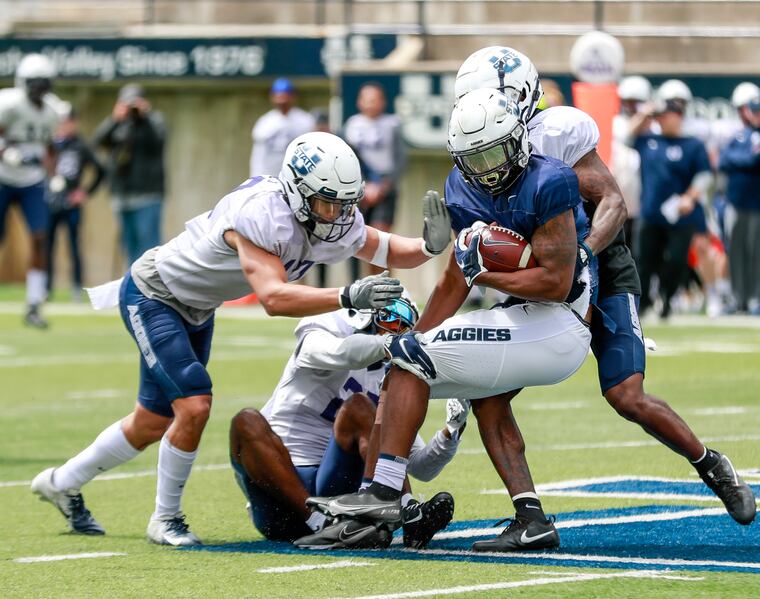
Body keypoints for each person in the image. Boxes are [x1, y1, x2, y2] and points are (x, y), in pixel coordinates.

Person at [31, 131, 452, 546]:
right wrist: (345, 294)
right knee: (194, 404)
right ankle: (166, 519)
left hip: (196, 308)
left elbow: (385, 248)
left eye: (345, 204)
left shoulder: (326, 216)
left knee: (152, 421)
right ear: (297, 192)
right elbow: (271, 297)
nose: (337, 215)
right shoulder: (261, 214)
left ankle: (60, 483)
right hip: (155, 293)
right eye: (327, 203)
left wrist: (429, 247)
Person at [450, 47, 754, 542]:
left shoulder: (558, 133)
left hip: (601, 267)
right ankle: (531, 519)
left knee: (625, 395)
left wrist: (586, 253)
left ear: (522, 100)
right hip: (540, 271)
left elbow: (611, 199)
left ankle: (711, 464)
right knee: (487, 394)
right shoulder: (475, 145)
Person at [298, 87, 597, 551]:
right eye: (473, 159)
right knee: (477, 393)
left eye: (494, 153)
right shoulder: (462, 189)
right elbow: (455, 281)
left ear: (518, 140)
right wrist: (418, 334)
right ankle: (532, 519)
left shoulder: (550, 180)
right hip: (521, 319)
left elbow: (556, 283)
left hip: (562, 321)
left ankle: (383, 492)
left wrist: (487, 273)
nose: (485, 169)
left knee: (410, 358)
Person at [230, 297, 466, 548]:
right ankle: (322, 524)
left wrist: (450, 432)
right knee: (246, 422)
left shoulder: (392, 375)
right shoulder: (325, 332)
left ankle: (410, 514)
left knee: (363, 409)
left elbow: (419, 466)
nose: (396, 329)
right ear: (363, 314)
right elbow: (333, 352)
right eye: (390, 317)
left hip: (335, 487)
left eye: (404, 325)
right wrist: (384, 344)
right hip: (280, 498)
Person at [628, 82, 714, 319]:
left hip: (680, 213)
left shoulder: (692, 144)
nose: (661, 120)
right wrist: (644, 113)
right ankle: (643, 303)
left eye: (665, 116)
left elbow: (705, 175)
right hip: (650, 212)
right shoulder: (648, 140)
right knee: (644, 261)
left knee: (676, 260)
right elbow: (626, 137)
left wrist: (690, 197)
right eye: (659, 116)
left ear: (678, 116)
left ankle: (667, 298)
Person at [0, 53, 63, 328]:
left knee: (40, 237)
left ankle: (34, 303)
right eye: (35, 83)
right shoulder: (9, 104)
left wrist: (54, 174)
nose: (39, 89)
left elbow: (49, 147)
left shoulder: (53, 111)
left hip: (33, 181)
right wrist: (7, 152)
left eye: (43, 83)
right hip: (2, 177)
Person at [93, 84, 167, 266]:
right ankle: (134, 287)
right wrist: (114, 119)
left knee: (149, 246)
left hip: (148, 195)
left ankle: (152, 289)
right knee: (128, 245)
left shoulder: (154, 121)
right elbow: (98, 142)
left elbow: (158, 143)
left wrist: (145, 116)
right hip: (122, 195)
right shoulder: (119, 124)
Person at [719, 89, 760, 315]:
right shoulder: (740, 136)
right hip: (736, 201)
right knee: (736, 252)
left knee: (758, 253)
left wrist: (739, 160)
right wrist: (742, 160)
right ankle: (738, 298)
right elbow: (724, 160)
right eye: (753, 110)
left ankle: (758, 299)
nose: (757, 114)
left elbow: (756, 159)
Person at [344, 82, 406, 277]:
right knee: (357, 241)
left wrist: (384, 186)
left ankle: (387, 288)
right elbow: (348, 158)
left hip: (385, 189)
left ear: (383, 102)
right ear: (359, 102)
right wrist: (363, 185)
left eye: (375, 99)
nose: (371, 104)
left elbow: (401, 159)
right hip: (358, 190)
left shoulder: (392, 124)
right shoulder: (352, 125)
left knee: (381, 241)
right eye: (366, 99)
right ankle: (361, 289)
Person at [45, 108, 105, 300]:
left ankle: (77, 288)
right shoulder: (50, 145)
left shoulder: (80, 146)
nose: (65, 125)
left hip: (71, 204)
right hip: (50, 202)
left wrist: (84, 192)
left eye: (68, 121)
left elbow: (101, 170)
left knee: (74, 246)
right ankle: (46, 289)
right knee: (47, 246)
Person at [612, 75, 651, 252]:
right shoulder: (616, 123)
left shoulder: (654, 129)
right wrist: (643, 115)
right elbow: (626, 136)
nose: (630, 107)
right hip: (619, 201)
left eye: (636, 102)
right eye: (627, 101)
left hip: (644, 205)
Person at [250, 78, 314, 178]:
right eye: (278, 96)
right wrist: (256, 177)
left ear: (293, 96)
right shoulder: (265, 122)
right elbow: (258, 155)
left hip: (296, 177)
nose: (282, 100)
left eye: (286, 95)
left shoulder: (305, 120)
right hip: (269, 176)